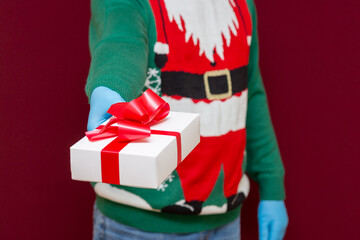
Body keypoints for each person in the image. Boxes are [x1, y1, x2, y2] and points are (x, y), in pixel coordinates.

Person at [86, 0, 288, 239]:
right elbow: (120, 41)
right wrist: (112, 87)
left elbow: (251, 94)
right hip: (141, 225)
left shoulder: (242, 4)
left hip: (226, 219)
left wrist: (272, 184)